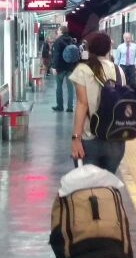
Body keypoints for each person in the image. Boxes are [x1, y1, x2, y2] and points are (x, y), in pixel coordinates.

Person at [69, 32, 127, 173]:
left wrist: (76, 138)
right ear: (108, 49)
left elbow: (82, 104)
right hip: (115, 140)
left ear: (90, 48)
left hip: (90, 139)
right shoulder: (119, 70)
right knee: (107, 187)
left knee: (89, 189)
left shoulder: (82, 70)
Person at [50, 26, 75, 112]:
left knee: (59, 87)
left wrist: (54, 67)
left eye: (59, 30)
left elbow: (56, 55)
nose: (58, 31)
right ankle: (70, 107)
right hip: (70, 67)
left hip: (60, 68)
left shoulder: (58, 41)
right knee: (70, 88)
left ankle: (60, 106)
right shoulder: (71, 40)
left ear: (61, 31)